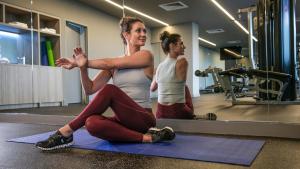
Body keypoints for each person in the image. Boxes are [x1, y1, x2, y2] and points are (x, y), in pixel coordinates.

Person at [35, 17, 175, 151]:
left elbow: (110, 63)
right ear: (126, 35)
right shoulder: (114, 64)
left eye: (144, 31)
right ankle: (147, 138)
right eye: (138, 30)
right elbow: (90, 89)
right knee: (91, 123)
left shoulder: (146, 56)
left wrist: (83, 62)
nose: (143, 34)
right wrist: (82, 68)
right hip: (123, 121)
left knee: (110, 89)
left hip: (143, 118)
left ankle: (65, 132)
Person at [151, 31, 217, 120]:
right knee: (185, 87)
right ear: (172, 46)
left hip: (160, 113)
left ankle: (192, 116)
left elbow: (152, 88)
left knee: (180, 86)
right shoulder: (182, 62)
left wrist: (156, 74)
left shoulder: (159, 66)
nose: (184, 46)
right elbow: (182, 85)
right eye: (181, 43)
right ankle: (192, 116)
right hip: (177, 112)